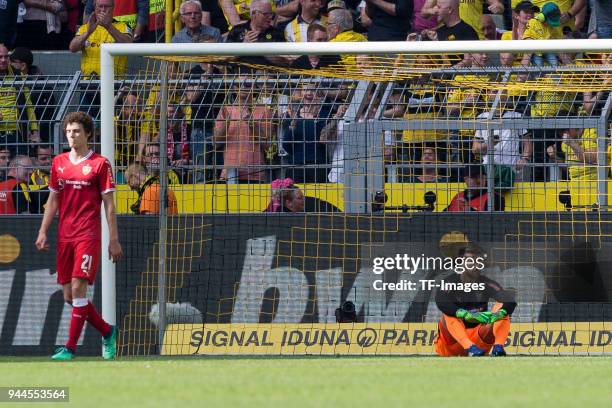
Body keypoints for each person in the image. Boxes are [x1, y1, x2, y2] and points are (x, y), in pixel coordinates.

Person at [35, 111, 123, 361]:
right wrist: (43, 231)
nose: (71, 136)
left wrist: (113, 238)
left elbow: (110, 205)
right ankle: (108, 331)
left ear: (87, 134)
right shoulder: (59, 162)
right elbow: (53, 200)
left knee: (78, 288)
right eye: (68, 131)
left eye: (76, 131)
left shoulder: (100, 164)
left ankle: (70, 348)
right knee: (69, 296)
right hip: (65, 235)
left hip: (87, 234)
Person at [434, 244, 516, 357]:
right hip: (451, 344)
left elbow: (510, 301)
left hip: (479, 343)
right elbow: (441, 300)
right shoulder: (449, 282)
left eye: (478, 261)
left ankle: (498, 348)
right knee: (447, 314)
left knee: (502, 306)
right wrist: (463, 314)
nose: (476, 265)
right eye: (471, 261)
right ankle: (469, 347)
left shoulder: (486, 283)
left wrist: (500, 313)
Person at [69, 0, 133, 117]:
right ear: (94, 8)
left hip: (114, 87)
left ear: (113, 8)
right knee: (87, 127)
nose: (103, 10)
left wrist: (108, 26)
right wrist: (88, 32)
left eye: (107, 6)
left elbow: (128, 45)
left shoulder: (123, 26)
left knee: (113, 128)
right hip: (89, 87)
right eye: (100, 6)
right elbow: (73, 48)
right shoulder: (85, 28)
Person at [0, 44, 39, 157]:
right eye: (0, 57)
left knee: (20, 164)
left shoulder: (19, 75)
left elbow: (29, 105)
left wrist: (34, 129)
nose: (3, 60)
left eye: (6, 57)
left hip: (17, 130)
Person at [422, 0, 504, 40]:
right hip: (447, 37)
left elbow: (499, 6)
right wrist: (432, 10)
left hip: (473, 36)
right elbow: (423, 12)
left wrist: (498, 7)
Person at [432, 0, 480, 67]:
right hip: (437, 76)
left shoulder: (467, 31)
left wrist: (450, 71)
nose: (435, 11)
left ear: (450, 9)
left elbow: (471, 60)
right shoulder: (437, 32)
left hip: (460, 76)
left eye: (439, 7)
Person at [520, 2, 563, 67]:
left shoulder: (551, 26)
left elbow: (555, 38)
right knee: (538, 64)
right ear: (542, 17)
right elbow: (527, 37)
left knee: (554, 62)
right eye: (549, 22)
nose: (550, 24)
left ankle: (554, 76)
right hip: (536, 51)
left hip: (547, 49)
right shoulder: (533, 22)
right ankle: (538, 77)